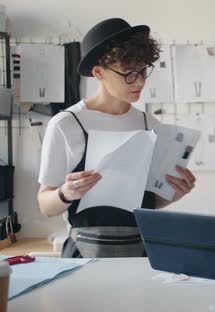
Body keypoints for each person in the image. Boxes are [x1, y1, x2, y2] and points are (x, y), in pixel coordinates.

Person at [37, 18, 196, 257]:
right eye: (128, 74)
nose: (140, 81)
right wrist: (66, 193)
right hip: (83, 254)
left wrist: (173, 194)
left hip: (139, 253)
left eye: (143, 71)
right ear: (98, 72)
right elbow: (45, 205)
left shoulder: (150, 125)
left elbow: (148, 203)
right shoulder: (67, 124)